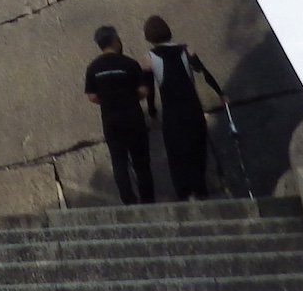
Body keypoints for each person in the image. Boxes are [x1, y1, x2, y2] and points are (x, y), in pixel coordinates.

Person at [83, 25, 156, 204]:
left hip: (110, 120)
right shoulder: (129, 64)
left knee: (119, 161)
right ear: (115, 41)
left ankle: (128, 199)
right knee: (141, 162)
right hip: (133, 117)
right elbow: (143, 91)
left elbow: (91, 96)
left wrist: (108, 99)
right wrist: (130, 95)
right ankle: (148, 199)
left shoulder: (93, 67)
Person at [143, 15, 212, 201]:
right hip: (192, 106)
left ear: (148, 36)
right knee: (198, 146)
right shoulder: (186, 49)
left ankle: (184, 191)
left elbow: (149, 90)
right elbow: (202, 71)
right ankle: (200, 188)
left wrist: (152, 111)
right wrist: (220, 93)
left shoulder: (149, 58)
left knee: (176, 151)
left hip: (172, 110)